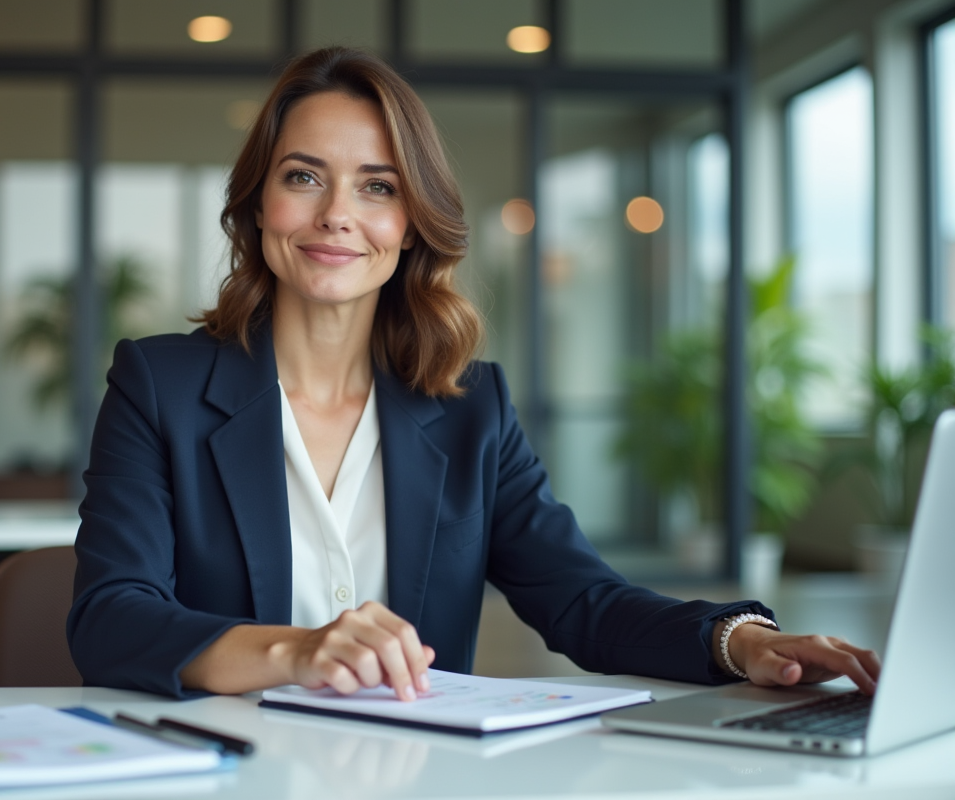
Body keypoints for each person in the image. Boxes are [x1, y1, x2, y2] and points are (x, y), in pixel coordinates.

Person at [67, 47, 881, 702]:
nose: (336, 215)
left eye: (377, 187)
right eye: (303, 176)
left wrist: (741, 642)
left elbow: (580, 601)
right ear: (257, 204)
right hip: (229, 773)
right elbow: (110, 618)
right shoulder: (159, 386)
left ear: (412, 225)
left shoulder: (470, 407)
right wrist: (297, 652)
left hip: (418, 776)